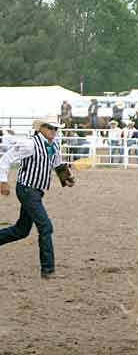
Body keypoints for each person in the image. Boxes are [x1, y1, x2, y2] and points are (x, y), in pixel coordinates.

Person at [0, 116, 75, 279]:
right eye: (50, 128)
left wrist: (66, 178)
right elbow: (5, 159)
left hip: (36, 191)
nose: (54, 131)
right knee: (46, 227)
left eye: (56, 128)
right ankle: (48, 270)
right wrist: (3, 181)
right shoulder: (29, 144)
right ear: (41, 128)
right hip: (27, 190)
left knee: (21, 230)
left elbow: (57, 163)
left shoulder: (53, 144)